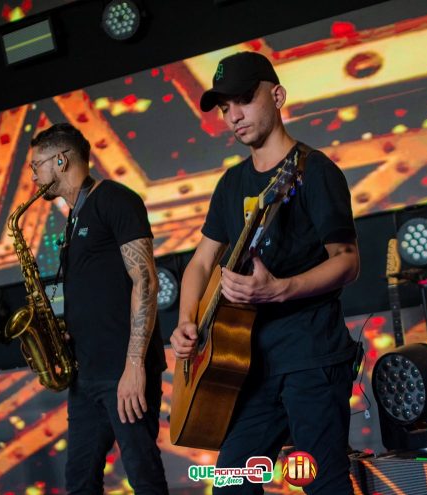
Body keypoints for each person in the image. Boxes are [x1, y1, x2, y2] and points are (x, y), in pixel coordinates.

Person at [170, 51, 360, 494]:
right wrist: (186, 320)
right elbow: (200, 262)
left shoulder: (315, 171)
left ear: (277, 96)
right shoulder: (231, 184)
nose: (233, 116)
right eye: (224, 108)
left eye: (243, 100)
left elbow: (348, 261)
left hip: (311, 357)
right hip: (249, 367)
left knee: (323, 483)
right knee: (233, 482)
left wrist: (280, 290)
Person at [29, 123, 168, 494]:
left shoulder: (116, 200)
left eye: (36, 166)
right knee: (79, 484)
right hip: (85, 375)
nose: (33, 176)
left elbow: (147, 281)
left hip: (123, 372)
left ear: (61, 160)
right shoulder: (74, 216)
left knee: (144, 476)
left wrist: (135, 366)